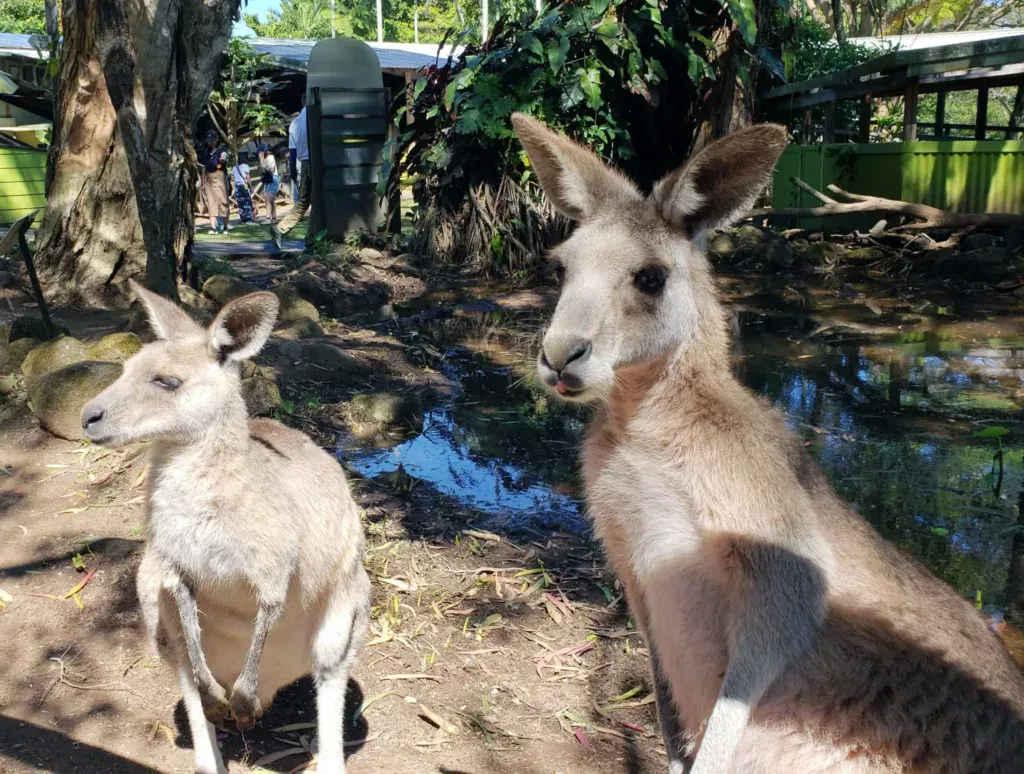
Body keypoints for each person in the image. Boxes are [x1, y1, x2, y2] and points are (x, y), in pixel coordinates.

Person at [272, 95, 312, 250]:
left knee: (303, 202)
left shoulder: (295, 123)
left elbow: (292, 151)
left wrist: (294, 172)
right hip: (315, 162)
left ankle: (279, 229)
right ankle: (311, 241)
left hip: (303, 164)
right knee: (317, 202)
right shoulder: (315, 116)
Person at [200, 130, 230, 234]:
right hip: (209, 176)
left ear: (217, 139)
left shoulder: (222, 148)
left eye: (213, 140)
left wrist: (222, 159)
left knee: (223, 200)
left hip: (220, 174)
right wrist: (203, 182)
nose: (211, 142)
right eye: (209, 140)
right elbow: (204, 167)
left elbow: (224, 156)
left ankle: (225, 227)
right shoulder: (206, 151)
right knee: (211, 201)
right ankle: (213, 227)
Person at [258, 144, 279, 223]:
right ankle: (274, 218)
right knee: (271, 201)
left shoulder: (270, 158)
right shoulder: (267, 158)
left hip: (272, 179)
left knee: (267, 200)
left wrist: (261, 160)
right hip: (269, 180)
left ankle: (267, 219)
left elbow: (264, 170)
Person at [231, 154, 256, 224]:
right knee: (247, 201)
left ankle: (243, 218)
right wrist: (251, 187)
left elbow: (232, 178)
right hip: (244, 185)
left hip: (237, 186)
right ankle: (249, 218)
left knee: (240, 202)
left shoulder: (234, 167)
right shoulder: (245, 166)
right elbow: (248, 177)